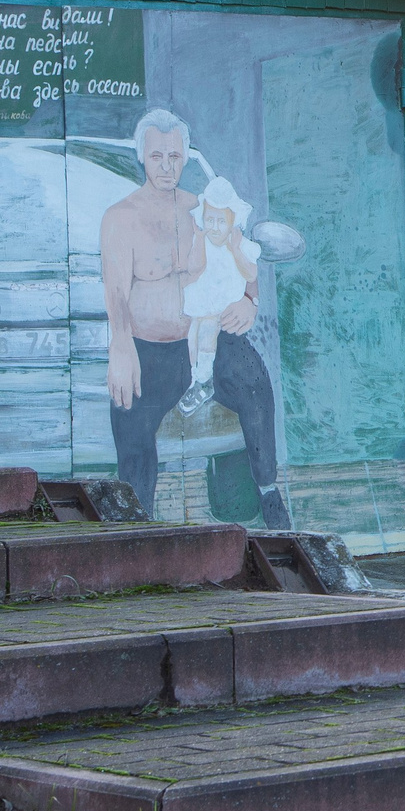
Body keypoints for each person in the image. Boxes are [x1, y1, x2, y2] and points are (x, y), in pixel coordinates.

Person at [99, 108, 290, 527]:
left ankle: (268, 494)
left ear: (185, 156)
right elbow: (115, 292)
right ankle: (137, 529)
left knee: (255, 383)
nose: (166, 166)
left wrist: (249, 302)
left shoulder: (206, 210)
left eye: (174, 156)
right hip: (153, 349)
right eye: (156, 157)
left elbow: (242, 260)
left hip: (209, 339)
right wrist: (121, 346)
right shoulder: (120, 218)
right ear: (141, 158)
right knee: (130, 420)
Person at [178, 178, 260, 418]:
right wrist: (199, 239)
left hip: (221, 302)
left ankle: (203, 381)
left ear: (233, 222)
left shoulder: (239, 244)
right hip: (201, 301)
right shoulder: (199, 240)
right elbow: (195, 267)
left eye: (221, 221)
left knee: (206, 333)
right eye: (210, 219)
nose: (214, 227)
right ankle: (198, 380)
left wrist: (235, 250)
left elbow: (251, 273)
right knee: (193, 335)